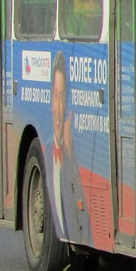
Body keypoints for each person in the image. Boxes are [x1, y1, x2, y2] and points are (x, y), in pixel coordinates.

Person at [51, 51, 88, 242]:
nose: (58, 108)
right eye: (55, 97)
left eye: (62, 97)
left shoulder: (73, 154)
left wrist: (70, 155)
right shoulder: (48, 154)